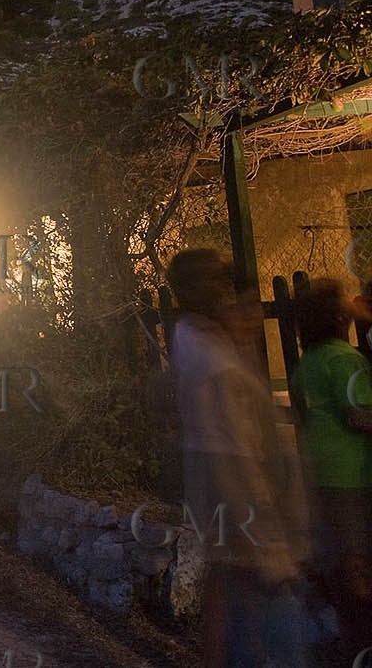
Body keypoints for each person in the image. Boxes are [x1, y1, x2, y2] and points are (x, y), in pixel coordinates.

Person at [167, 249, 309, 668]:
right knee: (267, 619)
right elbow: (240, 459)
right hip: (238, 500)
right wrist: (274, 548)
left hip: (216, 492)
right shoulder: (215, 360)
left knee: (229, 591)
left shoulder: (191, 336)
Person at [289, 280, 372, 653]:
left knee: (341, 552)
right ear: (340, 317)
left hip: (320, 472)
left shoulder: (310, 360)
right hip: (350, 473)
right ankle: (361, 638)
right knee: (358, 557)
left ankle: (346, 629)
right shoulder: (344, 359)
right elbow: (359, 414)